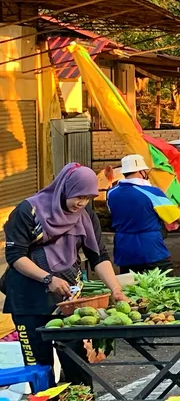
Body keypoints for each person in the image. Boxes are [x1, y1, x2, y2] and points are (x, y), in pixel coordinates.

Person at [2, 163, 128, 385]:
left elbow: (98, 255)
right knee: (40, 370)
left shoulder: (85, 213)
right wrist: (48, 279)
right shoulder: (28, 211)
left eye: (88, 198)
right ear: (64, 189)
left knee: (77, 364)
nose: (81, 203)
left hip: (69, 299)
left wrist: (115, 289)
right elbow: (15, 256)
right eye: (78, 196)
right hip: (27, 299)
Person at [107, 154, 180, 274]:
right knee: (165, 284)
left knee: (130, 287)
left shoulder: (111, 193)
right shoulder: (152, 192)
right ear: (141, 172)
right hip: (150, 248)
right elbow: (176, 217)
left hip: (123, 248)